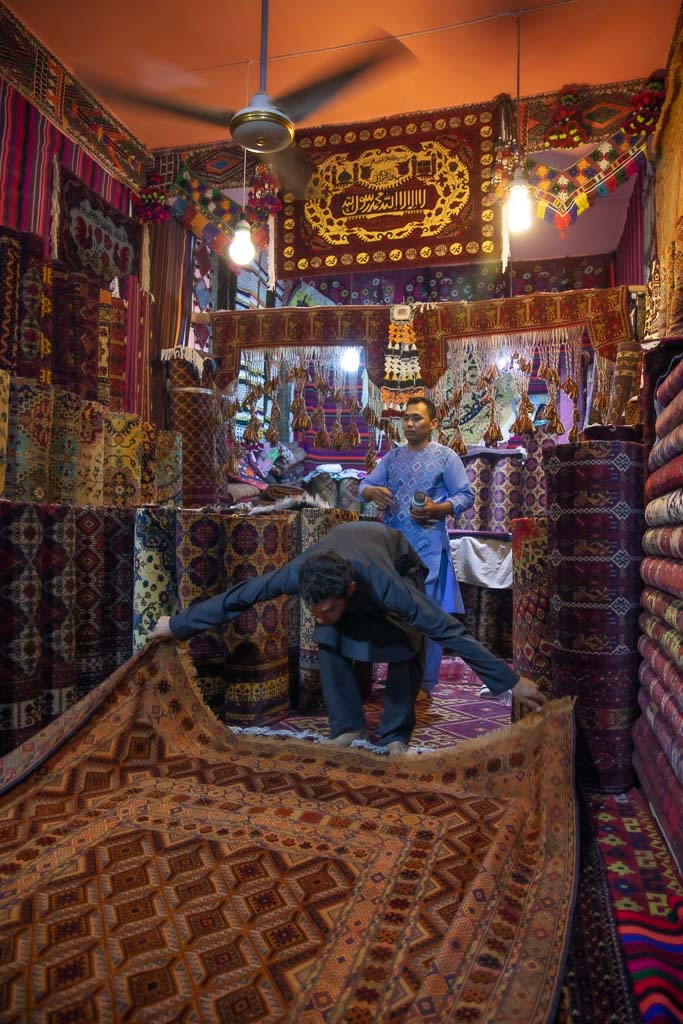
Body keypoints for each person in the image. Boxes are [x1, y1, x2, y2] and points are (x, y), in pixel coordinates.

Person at [150, 521, 546, 755]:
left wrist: (511, 683)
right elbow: (242, 596)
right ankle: (347, 727)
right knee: (329, 637)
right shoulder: (300, 574)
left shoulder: (392, 590)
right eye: (313, 608)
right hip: (342, 552)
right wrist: (177, 624)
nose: (319, 614)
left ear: (351, 591)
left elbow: (447, 629)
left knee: (407, 640)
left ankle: (394, 734)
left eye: (329, 608)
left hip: (395, 557)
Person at [358, 396, 474, 696]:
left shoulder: (446, 457)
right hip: (394, 547)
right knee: (396, 614)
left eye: (417, 418)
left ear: (433, 423)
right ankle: (398, 677)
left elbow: (465, 495)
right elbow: (363, 487)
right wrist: (372, 491)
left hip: (430, 549)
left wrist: (439, 509)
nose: (409, 423)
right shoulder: (392, 458)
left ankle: (424, 683)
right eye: (406, 418)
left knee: (428, 616)